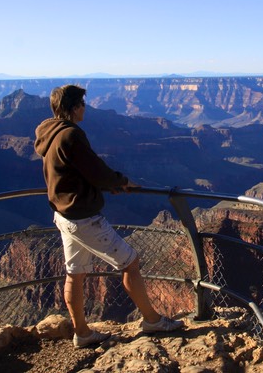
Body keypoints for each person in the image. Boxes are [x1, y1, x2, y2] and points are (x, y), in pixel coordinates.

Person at [34, 84, 184, 348]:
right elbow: (96, 171)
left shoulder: (49, 132)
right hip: (83, 218)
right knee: (130, 262)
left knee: (75, 273)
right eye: (82, 103)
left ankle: (82, 333)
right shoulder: (70, 135)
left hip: (63, 215)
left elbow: (78, 172)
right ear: (72, 107)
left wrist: (109, 183)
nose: (85, 108)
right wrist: (121, 181)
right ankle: (152, 320)